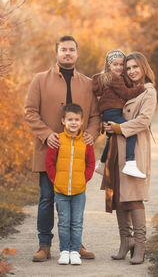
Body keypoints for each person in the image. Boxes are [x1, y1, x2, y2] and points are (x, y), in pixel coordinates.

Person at [24, 35, 100, 262]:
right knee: (47, 198)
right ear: (56, 53)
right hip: (50, 151)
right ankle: (44, 245)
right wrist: (47, 136)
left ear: (77, 53)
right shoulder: (39, 79)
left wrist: (92, 134)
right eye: (63, 49)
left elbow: (96, 116)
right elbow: (29, 111)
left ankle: (76, 244)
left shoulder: (87, 83)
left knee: (74, 199)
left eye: (71, 50)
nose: (67, 53)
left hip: (77, 154)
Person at [102, 51, 157, 265]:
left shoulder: (148, 92)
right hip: (117, 146)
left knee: (134, 197)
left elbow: (143, 120)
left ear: (144, 68)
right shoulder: (125, 90)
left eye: (135, 67)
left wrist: (118, 127)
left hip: (136, 149)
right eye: (128, 68)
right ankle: (126, 242)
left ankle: (140, 246)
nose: (132, 71)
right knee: (119, 197)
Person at [45, 104, 95, 265]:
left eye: (76, 120)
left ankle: (75, 251)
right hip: (61, 190)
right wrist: (56, 180)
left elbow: (91, 163)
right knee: (64, 221)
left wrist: (84, 179)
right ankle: (64, 251)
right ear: (63, 121)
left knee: (77, 222)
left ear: (82, 122)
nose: (73, 123)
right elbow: (49, 163)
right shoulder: (58, 139)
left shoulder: (86, 141)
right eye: (70, 119)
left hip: (79, 190)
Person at [92, 49, 145, 178]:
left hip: (108, 113)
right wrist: (143, 87)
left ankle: (101, 164)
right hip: (113, 113)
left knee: (110, 140)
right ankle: (130, 163)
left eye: (121, 64)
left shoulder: (106, 78)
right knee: (131, 132)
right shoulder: (115, 78)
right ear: (108, 66)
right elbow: (127, 94)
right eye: (115, 64)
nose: (119, 67)